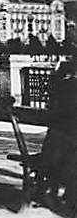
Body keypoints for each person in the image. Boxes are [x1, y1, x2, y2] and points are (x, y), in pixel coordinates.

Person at [39, 56, 77, 210]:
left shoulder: (58, 89)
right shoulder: (73, 88)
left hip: (53, 149)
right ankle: (71, 199)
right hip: (66, 150)